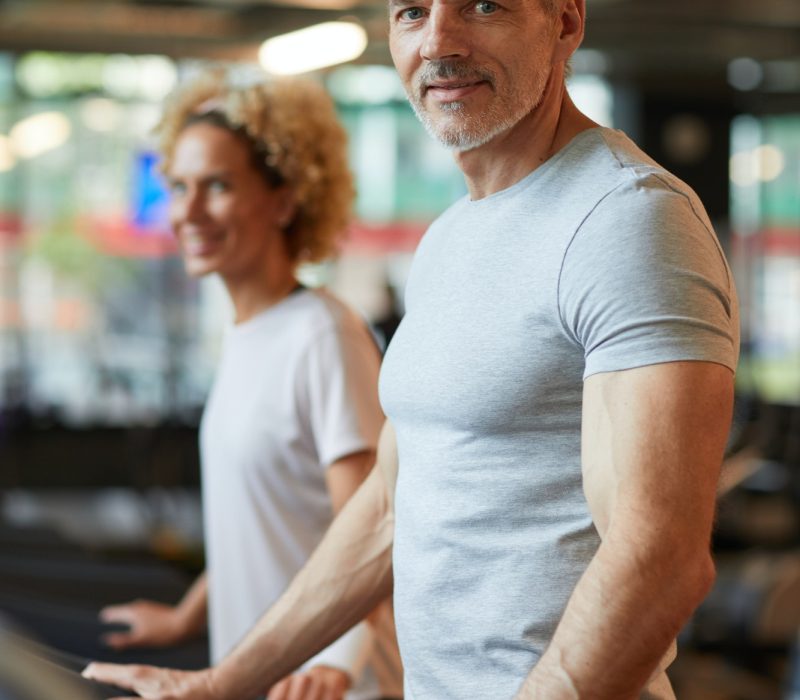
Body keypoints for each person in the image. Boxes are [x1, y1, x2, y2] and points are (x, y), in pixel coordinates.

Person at [84, 1, 740, 698]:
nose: (437, 43)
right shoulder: (448, 237)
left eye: (482, 5)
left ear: (566, 22)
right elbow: (388, 510)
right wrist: (224, 683)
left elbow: (660, 560)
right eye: (412, 12)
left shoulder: (629, 218)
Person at [91, 72, 402, 700]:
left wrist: (338, 662)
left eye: (218, 186)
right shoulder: (246, 334)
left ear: (285, 202)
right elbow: (262, 523)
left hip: (331, 684)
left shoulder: (323, 335)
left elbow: (373, 530)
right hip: (253, 674)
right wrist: (186, 617)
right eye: (180, 187)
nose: (188, 212)